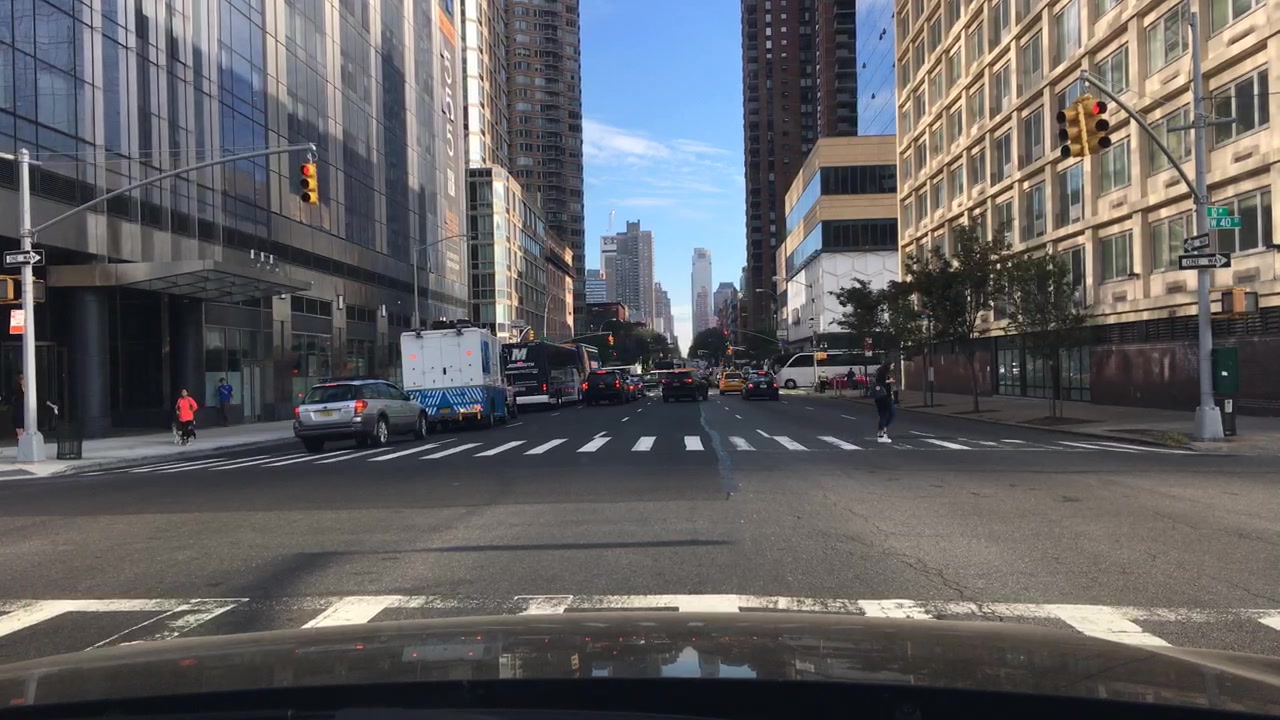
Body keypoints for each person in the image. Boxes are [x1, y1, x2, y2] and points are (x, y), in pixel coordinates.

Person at [872, 361, 896, 443]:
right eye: (892, 365)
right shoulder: (883, 373)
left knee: (884, 415)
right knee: (889, 414)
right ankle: (882, 433)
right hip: (884, 397)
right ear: (888, 366)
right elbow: (881, 382)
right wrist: (890, 381)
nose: (892, 367)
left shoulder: (880, 372)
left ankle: (882, 432)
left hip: (880, 397)